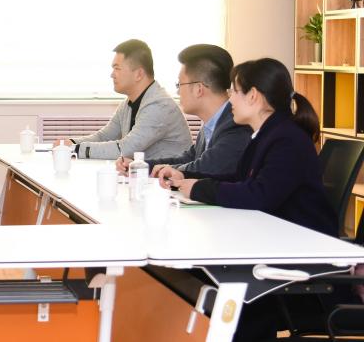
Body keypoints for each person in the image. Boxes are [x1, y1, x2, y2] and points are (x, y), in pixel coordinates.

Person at [157, 57, 337, 341]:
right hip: (277, 249)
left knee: (216, 288)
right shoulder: (266, 134)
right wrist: (187, 178)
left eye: (234, 92)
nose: (230, 100)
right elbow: (239, 179)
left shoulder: (286, 140)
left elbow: (258, 195)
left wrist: (199, 188)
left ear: (253, 96)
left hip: (300, 269)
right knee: (195, 277)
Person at [116, 44, 251, 177]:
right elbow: (188, 159)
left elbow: (207, 167)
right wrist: (140, 165)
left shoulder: (235, 125)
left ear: (198, 89)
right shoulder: (210, 125)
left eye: (179, 84)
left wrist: (168, 170)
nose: (178, 92)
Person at [65, 39, 191, 160]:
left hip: (172, 174)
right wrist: (71, 143)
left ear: (138, 74)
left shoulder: (159, 105)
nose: (112, 74)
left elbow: (125, 149)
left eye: (117, 68)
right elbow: (104, 136)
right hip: (147, 173)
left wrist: (74, 149)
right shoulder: (127, 104)